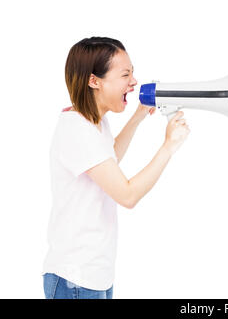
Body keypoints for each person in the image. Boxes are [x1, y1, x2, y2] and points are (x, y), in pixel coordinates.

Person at [42, 37, 190, 299]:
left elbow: (108, 160)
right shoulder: (77, 129)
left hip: (94, 276)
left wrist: (138, 116)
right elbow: (127, 195)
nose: (134, 82)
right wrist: (168, 146)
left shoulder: (94, 121)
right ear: (94, 81)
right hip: (75, 279)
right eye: (125, 74)